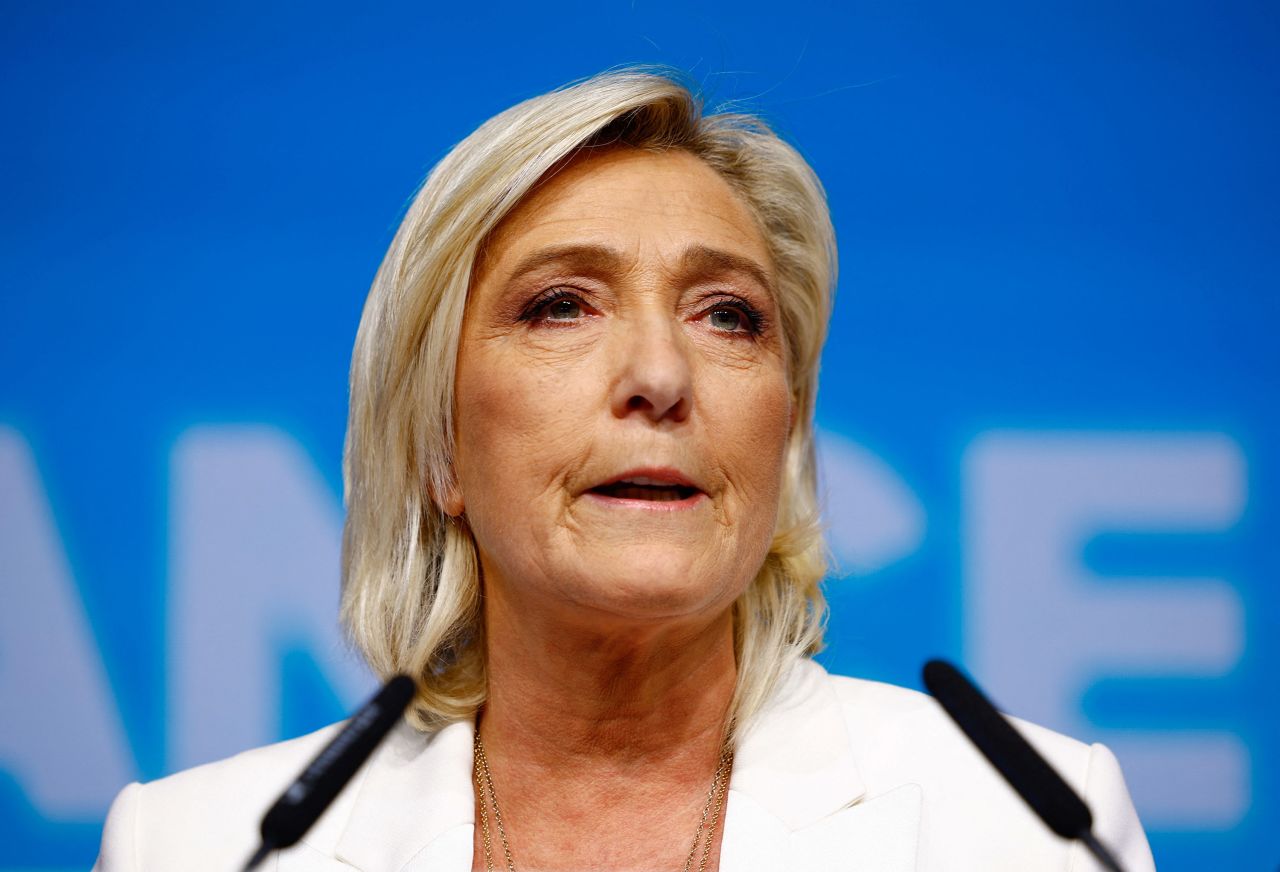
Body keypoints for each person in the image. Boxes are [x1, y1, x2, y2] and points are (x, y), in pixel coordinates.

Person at [94, 68, 1155, 872]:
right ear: (436, 446)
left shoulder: (1030, 824)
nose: (659, 374)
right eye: (560, 304)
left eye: (727, 317)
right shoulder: (201, 845)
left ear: (784, 434)